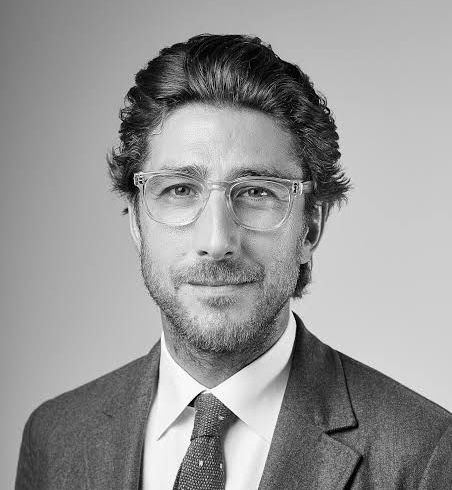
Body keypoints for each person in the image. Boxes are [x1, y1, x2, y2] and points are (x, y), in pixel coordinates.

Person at [15, 33, 452, 490]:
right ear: (137, 223)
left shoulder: (426, 455)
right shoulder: (56, 437)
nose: (217, 240)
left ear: (309, 228)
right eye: (180, 189)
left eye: (257, 192)